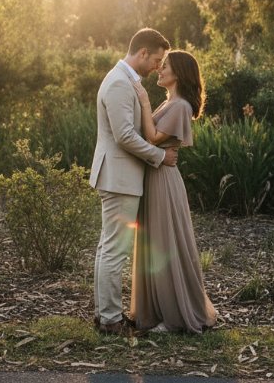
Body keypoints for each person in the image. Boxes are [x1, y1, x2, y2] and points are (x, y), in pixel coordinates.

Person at [90, 28, 180, 335]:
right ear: (142, 53)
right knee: (114, 249)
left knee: (108, 247)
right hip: (119, 176)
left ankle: (106, 315)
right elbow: (124, 136)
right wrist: (159, 156)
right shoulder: (118, 83)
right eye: (156, 59)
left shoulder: (124, 80)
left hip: (119, 175)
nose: (158, 66)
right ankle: (111, 320)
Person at [129, 50, 217, 334]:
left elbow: (153, 137)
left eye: (164, 66)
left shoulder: (179, 106)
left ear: (178, 73)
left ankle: (175, 316)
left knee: (166, 243)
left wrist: (142, 101)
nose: (159, 70)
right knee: (155, 242)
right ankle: (157, 310)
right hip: (156, 175)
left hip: (164, 179)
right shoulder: (171, 103)